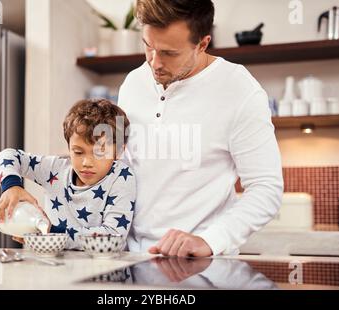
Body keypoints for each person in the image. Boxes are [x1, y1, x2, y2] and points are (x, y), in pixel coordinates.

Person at [117, 0, 283, 257]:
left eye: (170, 53)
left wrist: (210, 240)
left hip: (202, 264)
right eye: (148, 47)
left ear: (203, 44)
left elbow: (266, 188)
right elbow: (119, 167)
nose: (154, 63)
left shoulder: (240, 90)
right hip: (131, 258)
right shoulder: (132, 83)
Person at [0, 99, 136, 249]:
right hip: (55, 269)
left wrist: (52, 233)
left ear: (119, 151)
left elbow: (113, 238)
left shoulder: (121, 177)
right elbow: (7, 155)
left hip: (106, 271)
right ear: (69, 148)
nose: (87, 162)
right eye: (78, 152)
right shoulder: (57, 168)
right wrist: (11, 186)